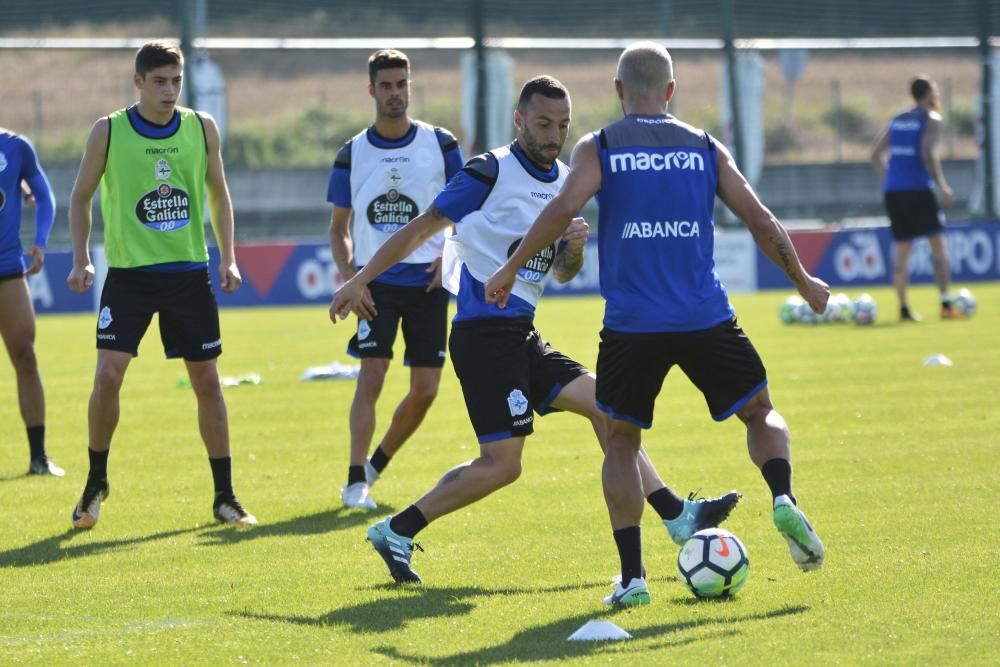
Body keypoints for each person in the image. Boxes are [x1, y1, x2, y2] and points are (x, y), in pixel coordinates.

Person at [332, 75, 739, 587]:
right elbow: (419, 228)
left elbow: (561, 272)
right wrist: (359, 279)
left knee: (605, 406)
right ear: (519, 120)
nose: (554, 135)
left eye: (563, 125)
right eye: (543, 123)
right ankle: (396, 529)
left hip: (520, 332)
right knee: (503, 465)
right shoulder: (489, 171)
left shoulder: (568, 181)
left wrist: (572, 247)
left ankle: (677, 516)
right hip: (484, 337)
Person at [486, 44, 828, 607]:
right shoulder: (704, 147)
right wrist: (804, 283)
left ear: (620, 90)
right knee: (760, 411)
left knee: (621, 442)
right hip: (705, 315)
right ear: (671, 91)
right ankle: (783, 496)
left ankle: (633, 580)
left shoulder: (600, 146)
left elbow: (560, 210)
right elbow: (760, 219)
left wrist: (509, 267)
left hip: (632, 324)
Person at [66, 42, 255, 528]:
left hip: (188, 276)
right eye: (159, 82)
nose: (170, 90)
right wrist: (82, 258)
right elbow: (81, 197)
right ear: (138, 82)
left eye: (176, 80)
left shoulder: (201, 127)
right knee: (108, 377)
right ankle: (96, 481)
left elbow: (220, 194)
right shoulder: (108, 131)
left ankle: (225, 495)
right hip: (129, 279)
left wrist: (228, 257)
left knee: (208, 383)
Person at [326, 49, 464, 510]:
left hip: (428, 284)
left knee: (426, 390)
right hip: (376, 285)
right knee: (372, 377)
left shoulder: (441, 144)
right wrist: (353, 280)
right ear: (371, 91)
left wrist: (450, 251)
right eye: (385, 86)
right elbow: (337, 228)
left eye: (401, 84)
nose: (394, 93)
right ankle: (353, 480)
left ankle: (375, 465)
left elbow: (470, 208)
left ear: (411, 86)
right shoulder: (352, 152)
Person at [0, 128, 63, 476]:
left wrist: (40, 241)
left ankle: (38, 457)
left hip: (8, 270)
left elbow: (44, 195)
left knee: (26, 356)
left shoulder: (15, 147)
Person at [870, 76, 960, 321]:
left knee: (901, 251)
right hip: (919, 189)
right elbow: (927, 153)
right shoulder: (930, 119)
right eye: (935, 91)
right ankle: (945, 304)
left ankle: (903, 309)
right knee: (938, 248)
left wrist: (890, 178)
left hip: (894, 192)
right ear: (929, 94)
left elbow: (875, 154)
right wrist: (942, 186)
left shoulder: (898, 119)